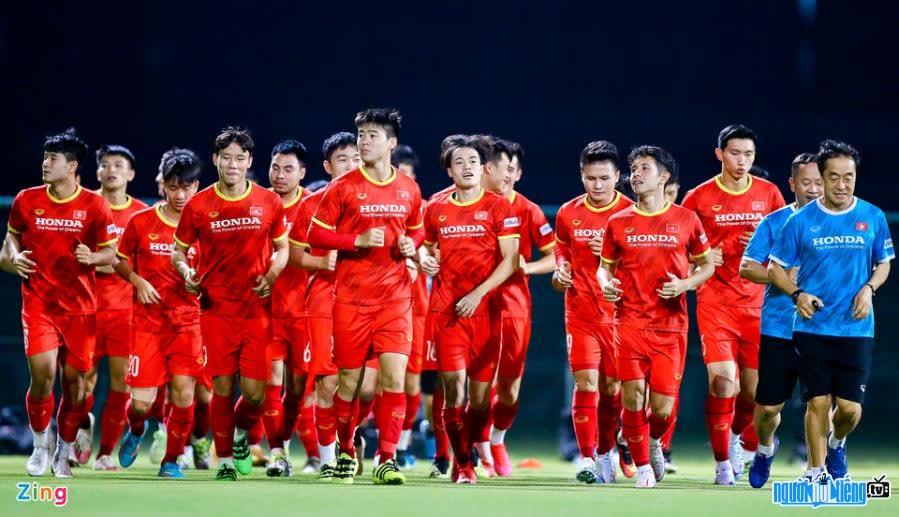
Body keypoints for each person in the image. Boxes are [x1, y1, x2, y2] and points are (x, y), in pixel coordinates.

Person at [768, 140, 892, 481]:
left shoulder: (872, 216)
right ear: (821, 179)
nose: (842, 184)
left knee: (850, 410)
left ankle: (838, 442)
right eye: (834, 177)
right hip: (811, 327)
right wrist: (797, 294)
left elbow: (883, 264)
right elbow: (775, 269)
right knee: (817, 402)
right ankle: (815, 469)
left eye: (848, 176)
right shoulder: (800, 221)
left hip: (856, 327)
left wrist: (869, 288)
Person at [171, 127, 289, 481]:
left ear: (250, 162)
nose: (233, 164)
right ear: (215, 160)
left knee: (254, 394)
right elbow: (178, 252)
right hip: (215, 309)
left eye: (240, 158)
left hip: (256, 310)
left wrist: (271, 275)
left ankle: (241, 435)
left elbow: (283, 248)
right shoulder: (199, 205)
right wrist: (186, 272)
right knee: (221, 387)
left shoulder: (269, 202)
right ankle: (224, 461)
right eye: (227, 158)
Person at [1, 128, 117, 477]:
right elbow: (8, 243)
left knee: (77, 387)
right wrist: (13, 258)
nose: (45, 163)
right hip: (39, 307)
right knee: (43, 374)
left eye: (53, 159)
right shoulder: (26, 199)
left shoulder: (94, 205)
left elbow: (112, 255)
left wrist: (92, 258)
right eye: (45, 157)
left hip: (80, 310)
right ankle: (40, 447)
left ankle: (64, 451)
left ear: (72, 167)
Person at [598, 145, 715, 488]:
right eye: (633, 169)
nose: (635, 174)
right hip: (629, 322)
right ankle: (644, 467)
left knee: (662, 409)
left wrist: (685, 284)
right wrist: (606, 285)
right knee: (632, 396)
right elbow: (604, 270)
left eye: (644, 168)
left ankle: (650, 439)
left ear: (664, 177)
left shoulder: (686, 219)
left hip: (670, 325)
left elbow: (707, 265)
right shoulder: (617, 222)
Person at [681, 124, 785, 484]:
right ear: (720, 154)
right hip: (715, 302)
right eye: (735, 153)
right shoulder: (697, 197)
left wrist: (762, 249)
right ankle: (723, 461)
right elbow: (679, 251)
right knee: (724, 383)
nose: (742, 161)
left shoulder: (769, 194)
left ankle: (739, 436)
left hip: (759, 306)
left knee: (754, 391)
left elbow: (785, 250)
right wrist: (708, 255)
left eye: (749, 155)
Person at [420, 136, 520, 483]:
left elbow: (511, 261)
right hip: (448, 313)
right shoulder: (436, 208)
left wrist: (478, 294)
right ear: (449, 170)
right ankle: (462, 464)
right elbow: (425, 247)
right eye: (459, 162)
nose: (467, 167)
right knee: (455, 392)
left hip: (488, 313)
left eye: (473, 162)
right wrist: (426, 260)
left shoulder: (499, 208)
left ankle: (473, 448)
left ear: (483, 168)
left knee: (479, 401)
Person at [113, 148, 203, 478]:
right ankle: (136, 431)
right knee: (140, 405)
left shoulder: (205, 225)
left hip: (188, 324)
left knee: (183, 394)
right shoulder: (141, 222)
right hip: (148, 324)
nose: (180, 194)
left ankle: (171, 460)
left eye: (187, 187)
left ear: (196, 186)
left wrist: (199, 286)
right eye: (174, 187)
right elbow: (118, 261)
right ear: (163, 184)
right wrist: (136, 280)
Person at [740, 153, 822, 487]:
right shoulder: (775, 222)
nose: (814, 189)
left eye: (820, 181)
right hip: (778, 327)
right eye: (807, 182)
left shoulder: (844, 224)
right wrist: (785, 279)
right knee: (769, 408)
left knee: (820, 401)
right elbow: (747, 266)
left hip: (824, 329)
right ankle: (763, 449)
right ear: (792, 184)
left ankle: (815, 468)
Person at [553, 140, 632, 484]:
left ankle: (605, 451)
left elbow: (647, 265)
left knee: (612, 388)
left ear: (618, 176)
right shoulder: (568, 213)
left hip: (620, 317)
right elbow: (560, 250)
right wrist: (560, 271)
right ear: (581, 176)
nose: (597, 185)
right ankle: (586, 459)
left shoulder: (633, 212)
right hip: (581, 313)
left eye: (604, 178)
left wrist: (616, 253)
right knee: (586, 384)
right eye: (590, 178)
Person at [481, 138, 555, 477]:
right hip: (471, 305)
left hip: (513, 306)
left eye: (513, 169)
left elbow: (555, 256)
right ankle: (469, 449)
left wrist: (528, 267)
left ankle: (497, 439)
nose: (506, 175)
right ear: (487, 170)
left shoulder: (527, 210)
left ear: (519, 173)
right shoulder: (463, 203)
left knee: (509, 389)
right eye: (500, 168)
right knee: (469, 382)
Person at [71, 145, 148, 470]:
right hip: (84, 310)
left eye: (119, 165)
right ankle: (81, 427)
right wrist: (112, 260)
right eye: (105, 165)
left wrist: (106, 260)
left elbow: (137, 264)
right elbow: (77, 256)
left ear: (130, 174)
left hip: (125, 315)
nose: (111, 170)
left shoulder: (142, 214)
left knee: (121, 385)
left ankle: (105, 454)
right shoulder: (83, 205)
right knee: (80, 382)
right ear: (97, 171)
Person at [288, 132, 359, 480]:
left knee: (367, 385)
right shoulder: (310, 204)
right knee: (327, 383)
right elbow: (296, 254)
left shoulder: (374, 200)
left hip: (368, 302)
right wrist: (320, 264)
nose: (351, 165)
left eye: (356, 158)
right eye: (343, 159)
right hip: (324, 302)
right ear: (328, 166)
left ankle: (350, 441)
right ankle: (329, 457)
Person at [263, 139, 312, 477]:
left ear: (303, 173)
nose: (280, 175)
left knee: (296, 392)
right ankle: (277, 452)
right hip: (263, 310)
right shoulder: (256, 203)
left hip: (305, 313)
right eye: (275, 167)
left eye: (288, 169)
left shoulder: (314, 206)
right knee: (268, 383)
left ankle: (277, 438)